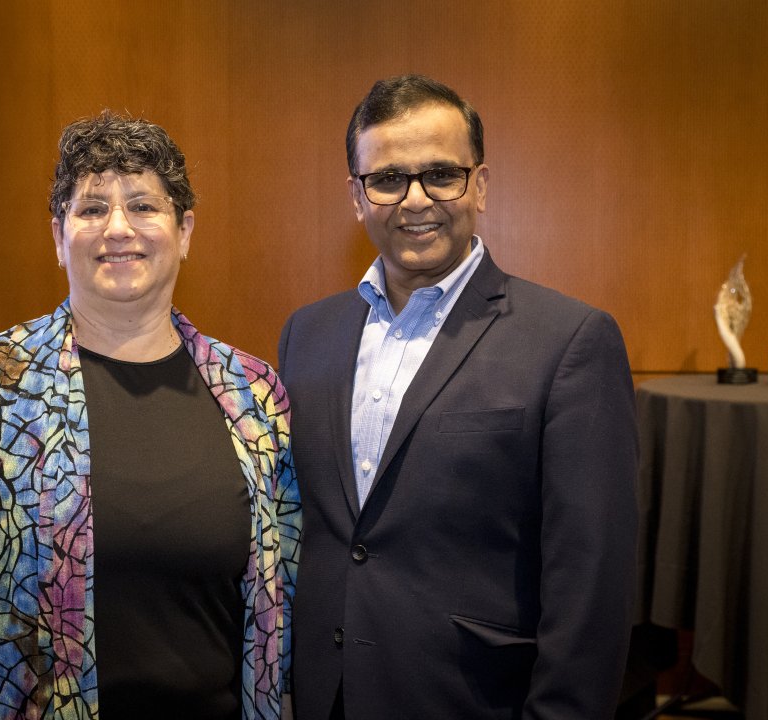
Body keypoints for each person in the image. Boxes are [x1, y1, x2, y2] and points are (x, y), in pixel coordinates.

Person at [0, 112, 300, 720]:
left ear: (184, 231)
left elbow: (288, 596)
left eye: (144, 207)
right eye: (93, 208)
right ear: (59, 235)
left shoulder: (254, 395)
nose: (118, 228)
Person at [277, 75, 637, 719]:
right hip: (325, 695)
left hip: (476, 699)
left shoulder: (570, 341)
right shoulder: (307, 334)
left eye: (442, 174)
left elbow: (592, 582)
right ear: (357, 197)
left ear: (482, 185)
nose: (415, 199)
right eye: (388, 179)